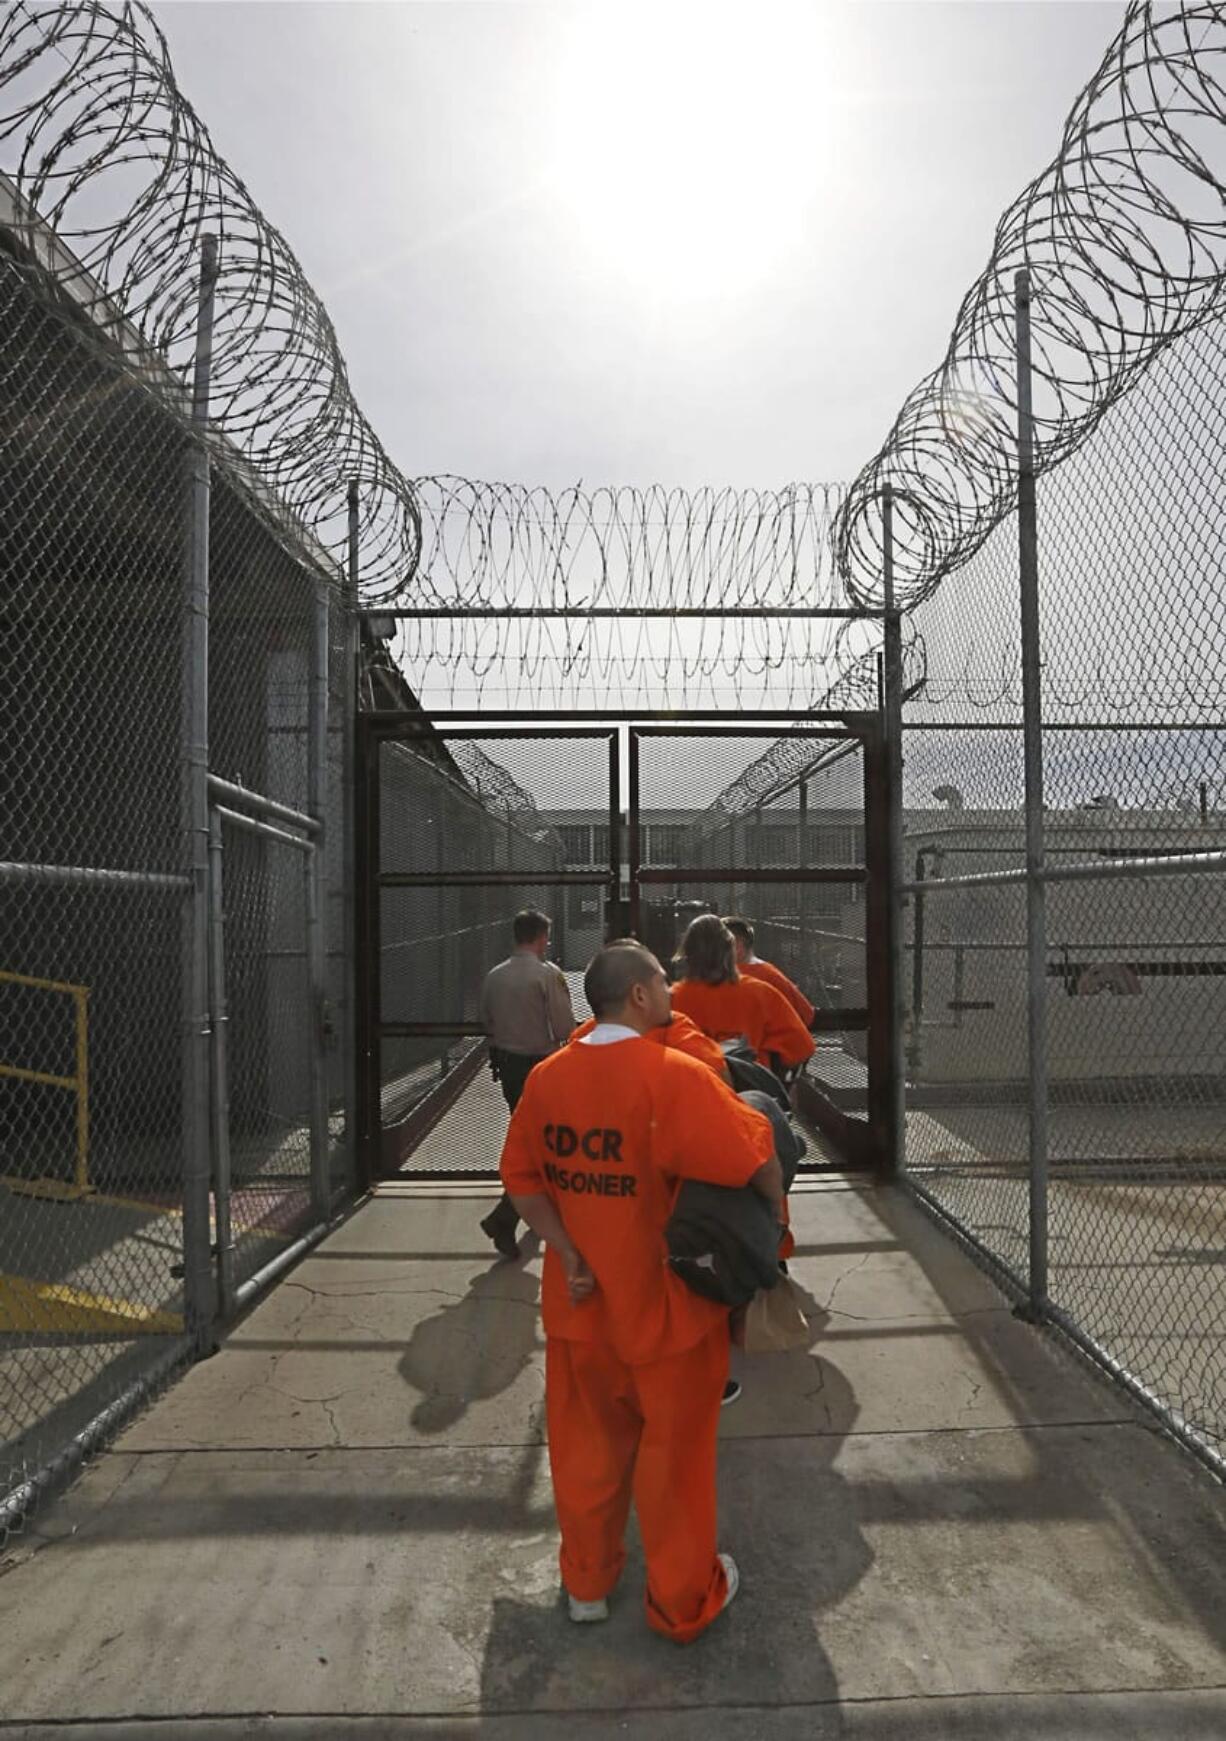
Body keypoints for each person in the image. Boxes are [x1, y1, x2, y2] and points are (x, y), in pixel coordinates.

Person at [500, 941, 783, 1641]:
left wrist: (567, 1251)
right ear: (638, 996)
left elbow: (523, 1181)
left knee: (586, 1451)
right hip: (667, 1312)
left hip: (579, 1305)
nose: (671, 991)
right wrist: (774, 1222)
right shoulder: (674, 1075)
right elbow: (754, 1152)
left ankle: (587, 1585)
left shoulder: (548, 1079)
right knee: (675, 1462)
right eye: (662, 980)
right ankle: (682, 1599)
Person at [478, 908, 575, 1257]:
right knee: (543, 1143)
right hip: (541, 1065)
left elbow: (486, 1020)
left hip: (508, 1065)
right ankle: (505, 1217)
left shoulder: (494, 976)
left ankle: (529, 1212)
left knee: (530, 1137)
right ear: (540, 937)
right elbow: (565, 1028)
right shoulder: (547, 975)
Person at [670, 914, 815, 1075]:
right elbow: (802, 1047)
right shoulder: (760, 992)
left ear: (687, 954)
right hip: (749, 1090)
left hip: (691, 1088)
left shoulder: (671, 999)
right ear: (730, 949)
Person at [722, 916, 816, 1029]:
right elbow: (806, 1014)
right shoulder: (769, 973)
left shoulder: (761, 975)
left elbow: (804, 1015)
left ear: (737, 945)